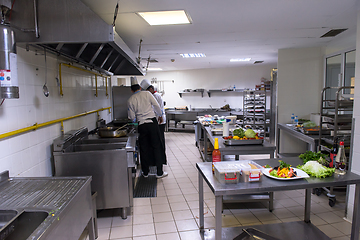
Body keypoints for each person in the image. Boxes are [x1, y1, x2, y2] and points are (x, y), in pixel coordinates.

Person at [127, 77, 168, 179]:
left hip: (142, 125)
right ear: (140, 88)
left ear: (131, 90)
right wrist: (160, 115)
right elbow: (157, 106)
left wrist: (135, 120)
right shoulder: (147, 94)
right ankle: (159, 172)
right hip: (152, 123)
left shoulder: (130, 100)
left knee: (144, 149)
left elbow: (131, 117)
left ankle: (145, 172)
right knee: (157, 147)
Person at [140, 79, 167, 152]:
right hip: (158, 119)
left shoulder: (156, 96)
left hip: (159, 120)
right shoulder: (153, 95)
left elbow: (158, 108)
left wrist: (160, 116)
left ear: (151, 89)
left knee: (160, 138)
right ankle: (160, 153)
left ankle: (161, 153)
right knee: (159, 138)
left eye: (147, 91)